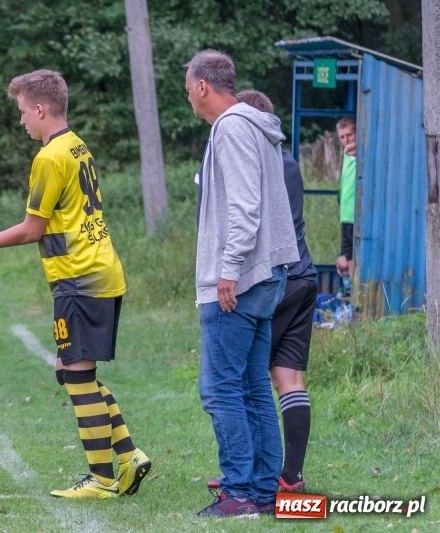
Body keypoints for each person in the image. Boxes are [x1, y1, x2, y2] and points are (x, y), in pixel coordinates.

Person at [0, 69, 151, 499]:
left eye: (22, 112)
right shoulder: (77, 145)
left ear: (40, 108)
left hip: (79, 278)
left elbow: (30, 229)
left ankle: (102, 478)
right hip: (102, 270)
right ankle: (129, 456)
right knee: (70, 370)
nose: (21, 122)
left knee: (76, 375)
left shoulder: (50, 156)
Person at [184, 50, 299, 517]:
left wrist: (227, 268)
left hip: (240, 279)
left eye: (188, 85)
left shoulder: (231, 127)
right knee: (253, 386)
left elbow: (246, 207)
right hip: (269, 275)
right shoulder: (258, 126)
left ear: (203, 86)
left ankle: (239, 494)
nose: (188, 94)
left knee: (221, 389)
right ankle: (266, 492)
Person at [206, 90, 317, 496]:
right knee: (288, 378)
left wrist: (228, 270)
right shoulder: (286, 160)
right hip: (305, 274)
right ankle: (289, 477)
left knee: (241, 382)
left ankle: (248, 476)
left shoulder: (253, 156)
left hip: (272, 276)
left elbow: (245, 215)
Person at [335, 117, 357, 282]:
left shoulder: (359, 152)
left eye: (349, 135)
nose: (346, 140)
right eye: (342, 137)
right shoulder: (346, 154)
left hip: (357, 214)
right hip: (346, 215)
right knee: (348, 253)